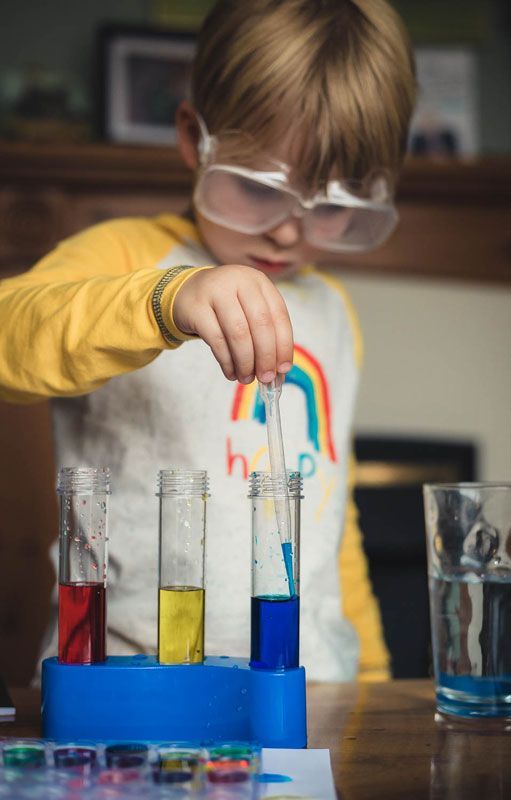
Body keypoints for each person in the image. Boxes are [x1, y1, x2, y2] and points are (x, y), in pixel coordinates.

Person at [0, 0, 416, 681]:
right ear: (195, 139)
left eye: (333, 207)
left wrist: (369, 678)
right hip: (123, 677)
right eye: (258, 190)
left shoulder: (332, 310)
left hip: (309, 683)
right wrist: (164, 301)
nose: (287, 232)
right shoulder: (129, 257)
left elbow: (329, 523)